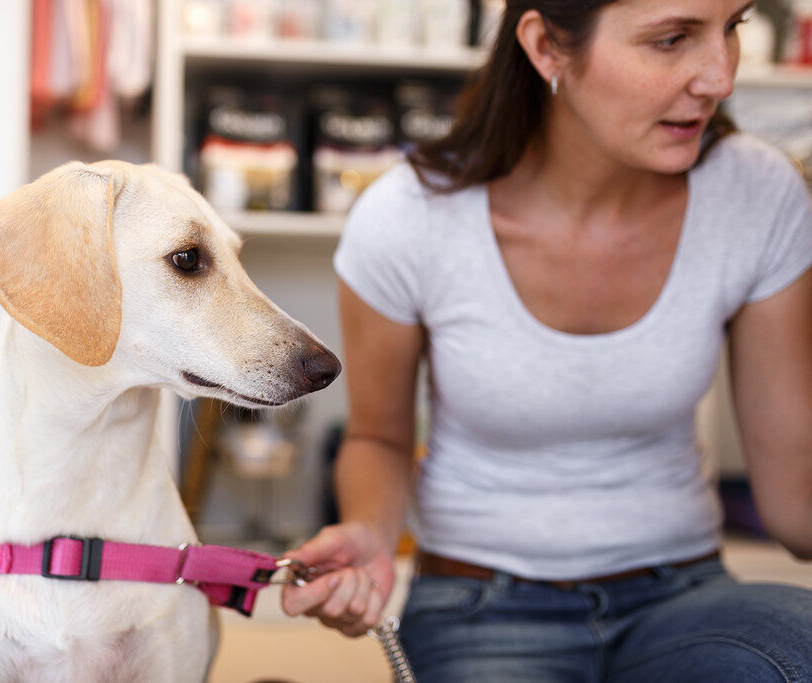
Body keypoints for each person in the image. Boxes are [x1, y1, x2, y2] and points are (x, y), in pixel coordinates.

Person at [280, 0, 812, 680]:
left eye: (731, 26)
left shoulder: (757, 194)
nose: (720, 77)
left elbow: (796, 504)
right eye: (673, 38)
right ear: (546, 47)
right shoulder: (408, 218)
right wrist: (370, 532)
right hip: (481, 609)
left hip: (683, 595)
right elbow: (378, 437)